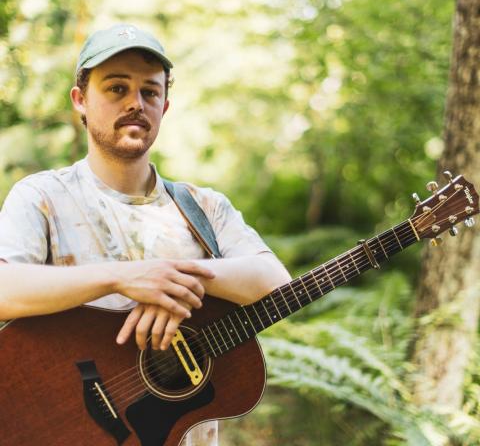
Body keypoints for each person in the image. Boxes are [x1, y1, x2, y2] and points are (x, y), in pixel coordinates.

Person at [0, 24, 291, 446]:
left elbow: (275, 283)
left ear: (165, 106)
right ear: (80, 101)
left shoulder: (204, 206)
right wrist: (122, 277)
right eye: (116, 88)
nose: (135, 103)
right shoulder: (42, 196)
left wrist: (171, 279)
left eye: (149, 92)